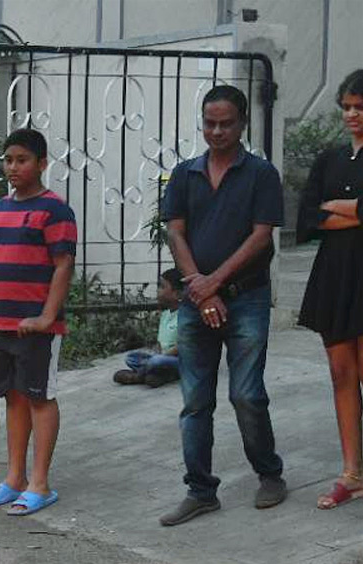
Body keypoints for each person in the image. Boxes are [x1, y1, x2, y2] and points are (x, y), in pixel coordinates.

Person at [159, 84, 286, 526]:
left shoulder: (261, 175)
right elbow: (176, 232)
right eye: (209, 123)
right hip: (197, 302)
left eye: (226, 123)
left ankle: (269, 473)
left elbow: (260, 235)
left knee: (246, 394)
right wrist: (200, 286)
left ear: (242, 123)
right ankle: (200, 490)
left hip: (247, 299)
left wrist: (214, 283)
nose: (216, 131)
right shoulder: (184, 174)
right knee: (195, 401)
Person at [0, 128, 77, 517]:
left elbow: (64, 264)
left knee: (38, 398)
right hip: (0, 324)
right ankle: (14, 478)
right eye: (9, 160)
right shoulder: (0, 209)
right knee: (13, 398)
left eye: (22, 160)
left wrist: (47, 316)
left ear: (42, 163)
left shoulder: (55, 211)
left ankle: (40, 483)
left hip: (36, 329)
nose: (13, 167)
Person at [296, 70, 363, 510]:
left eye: (360, 107)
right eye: (347, 107)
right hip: (336, 275)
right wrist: (356, 210)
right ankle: (352, 473)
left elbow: (324, 210)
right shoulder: (330, 158)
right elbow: (306, 216)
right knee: (341, 373)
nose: (352, 115)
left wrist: (335, 208)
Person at [113, 268, 182, 387]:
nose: (158, 290)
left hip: (180, 360)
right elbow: (160, 343)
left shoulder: (185, 315)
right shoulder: (165, 315)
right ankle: (159, 375)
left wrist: (161, 356)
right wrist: (157, 353)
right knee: (131, 358)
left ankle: (138, 376)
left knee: (156, 361)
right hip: (163, 357)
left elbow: (182, 346)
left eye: (162, 287)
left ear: (177, 294)